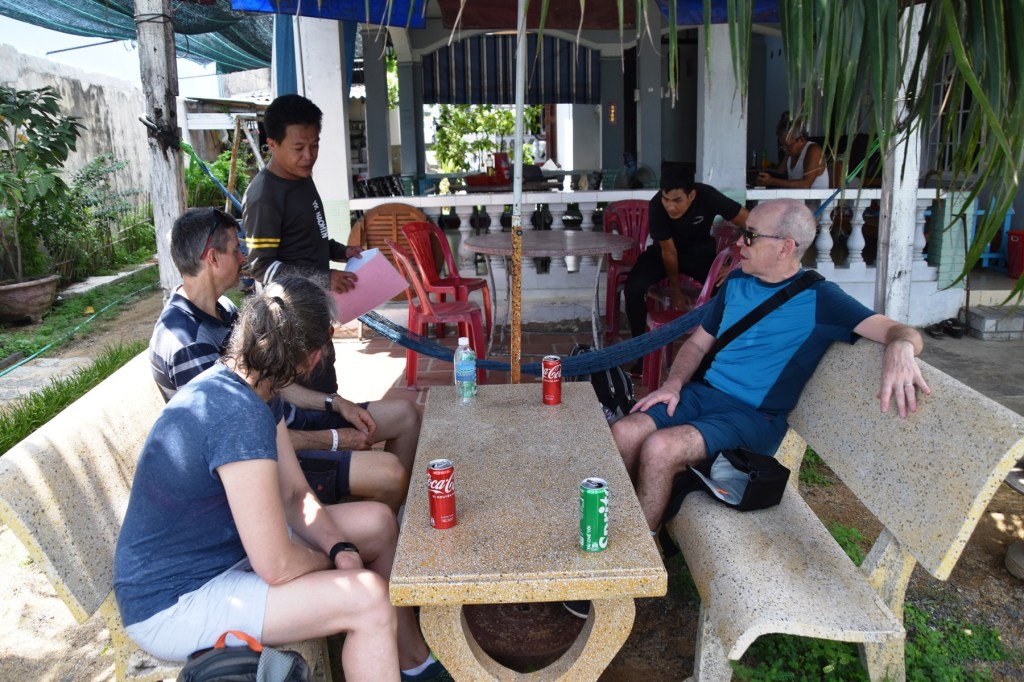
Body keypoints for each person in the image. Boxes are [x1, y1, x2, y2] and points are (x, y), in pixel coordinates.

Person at [117, 277, 450, 681]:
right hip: (175, 601)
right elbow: (276, 565)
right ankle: (382, 643)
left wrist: (339, 544)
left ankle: (410, 661)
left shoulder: (254, 388)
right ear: (312, 358)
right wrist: (334, 560)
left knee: (378, 523)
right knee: (369, 600)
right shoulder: (238, 416)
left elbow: (294, 494)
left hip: (222, 555)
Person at [613, 199, 930, 531]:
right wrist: (673, 384)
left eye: (750, 235)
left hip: (752, 417)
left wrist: (900, 347)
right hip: (702, 394)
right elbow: (696, 344)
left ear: (785, 247)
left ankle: (640, 550)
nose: (739, 242)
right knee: (624, 432)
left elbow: (899, 331)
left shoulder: (821, 299)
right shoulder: (736, 281)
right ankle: (616, 529)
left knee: (661, 448)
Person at [150, 207, 417, 512]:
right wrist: (334, 439)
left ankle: (367, 519)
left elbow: (271, 380)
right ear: (212, 258)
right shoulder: (187, 341)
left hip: (287, 422)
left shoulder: (224, 308)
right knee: (389, 474)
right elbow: (238, 438)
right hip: (265, 454)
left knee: (405, 415)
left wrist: (334, 403)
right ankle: (356, 523)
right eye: (236, 250)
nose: (243, 258)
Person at [243, 93, 360, 397]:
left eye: (315, 145)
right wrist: (324, 277)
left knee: (327, 388)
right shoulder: (264, 196)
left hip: (315, 313)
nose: (309, 156)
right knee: (312, 400)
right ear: (272, 144)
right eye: (299, 148)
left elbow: (309, 235)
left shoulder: (301, 177)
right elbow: (262, 267)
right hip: (290, 326)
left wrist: (341, 251)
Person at [622, 167, 749, 350]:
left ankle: (719, 352)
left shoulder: (708, 196)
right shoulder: (656, 205)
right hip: (662, 253)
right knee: (633, 288)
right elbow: (669, 251)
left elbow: (749, 221)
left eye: (677, 200)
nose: (670, 206)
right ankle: (640, 351)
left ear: (692, 195)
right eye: (666, 199)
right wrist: (675, 290)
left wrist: (734, 262)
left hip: (700, 253)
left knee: (726, 289)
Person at [757, 116, 829, 190]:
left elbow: (806, 184)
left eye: (788, 145)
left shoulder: (814, 150)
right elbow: (779, 173)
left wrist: (772, 181)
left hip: (815, 197)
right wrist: (762, 176)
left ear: (801, 140)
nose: (784, 149)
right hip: (796, 196)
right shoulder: (790, 152)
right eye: (782, 145)